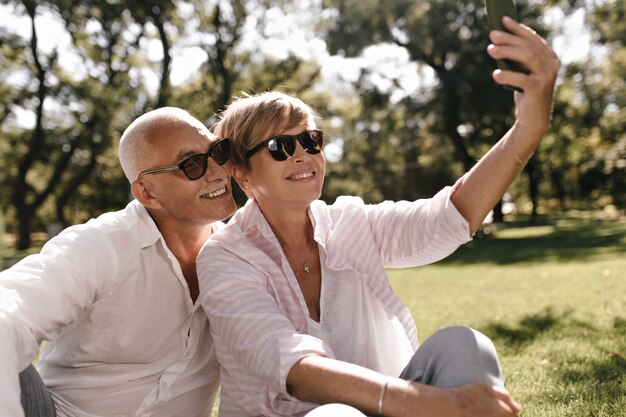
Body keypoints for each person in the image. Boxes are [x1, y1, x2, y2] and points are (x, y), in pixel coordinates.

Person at [197, 16, 559, 417]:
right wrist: (437, 403)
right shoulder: (225, 257)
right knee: (336, 414)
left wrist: (527, 128)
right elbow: (294, 368)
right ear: (241, 173)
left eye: (310, 140)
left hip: (391, 407)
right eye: (280, 146)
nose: (302, 154)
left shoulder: (350, 222)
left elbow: (449, 217)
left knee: (464, 345)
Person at [0, 107, 237, 417]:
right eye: (192, 164)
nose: (218, 171)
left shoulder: (241, 257)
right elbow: (9, 309)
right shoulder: (102, 245)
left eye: (219, 152)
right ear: (147, 193)